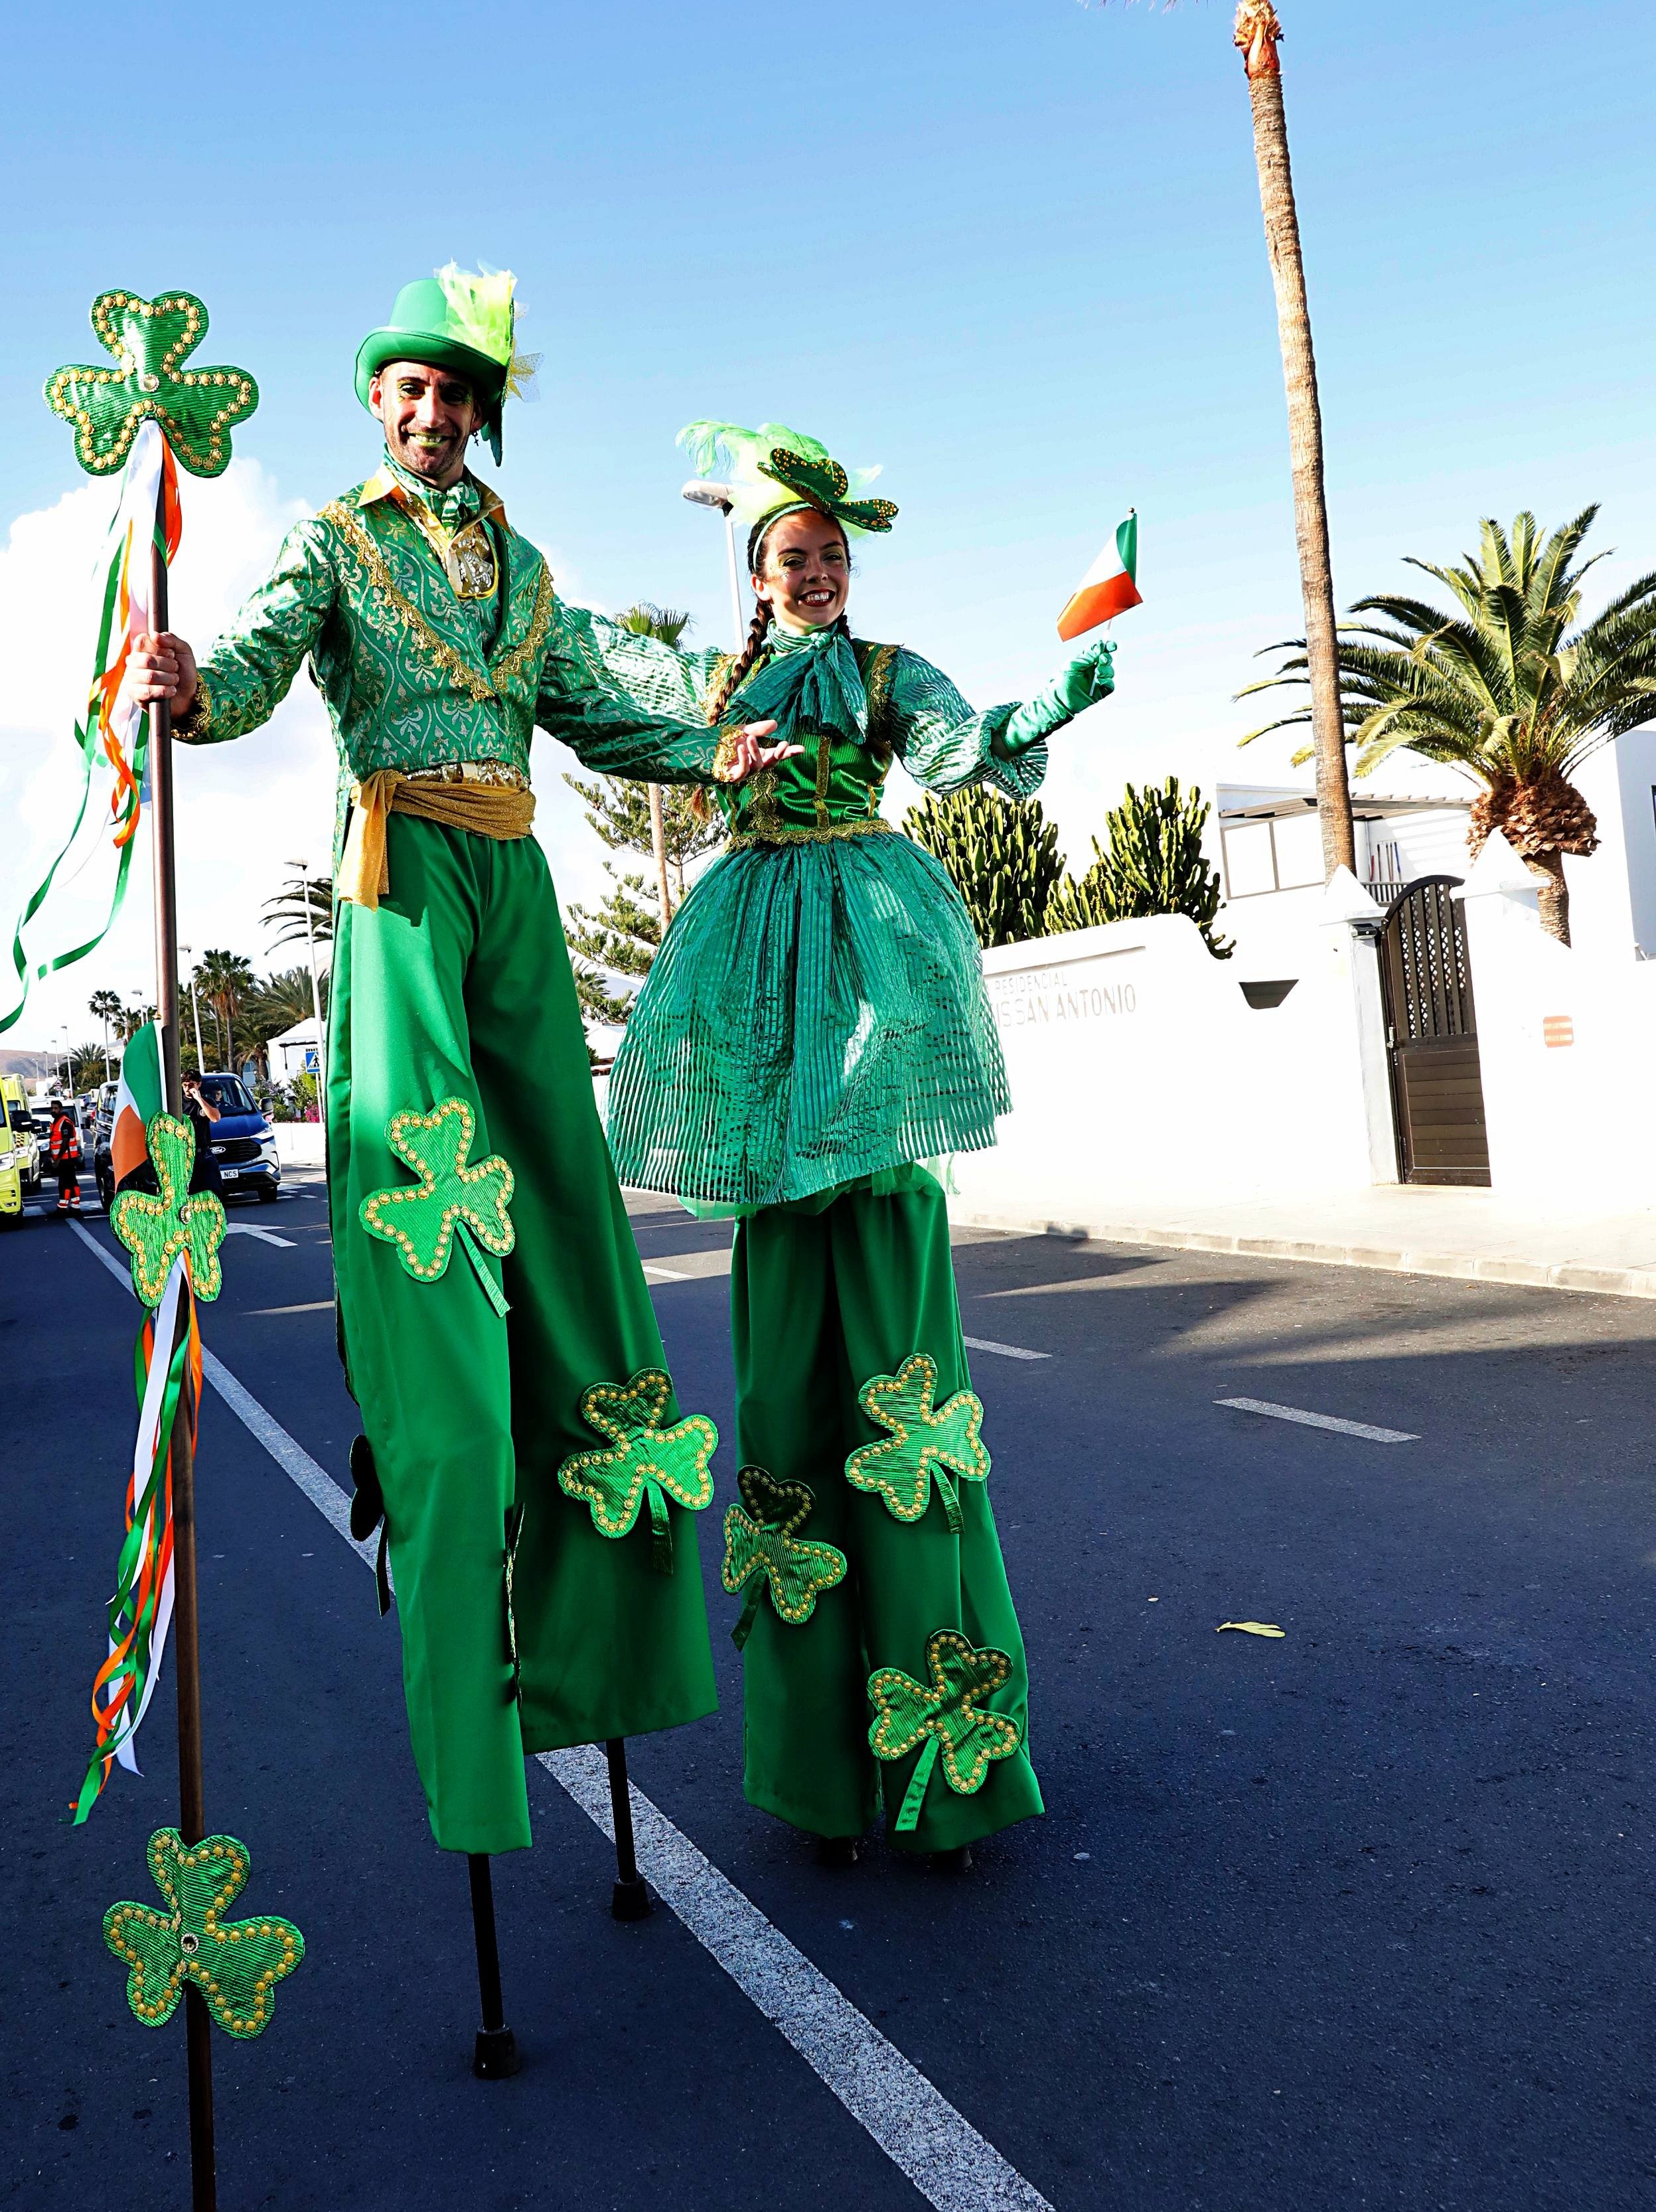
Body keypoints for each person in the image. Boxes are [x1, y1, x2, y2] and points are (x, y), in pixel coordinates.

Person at [120, 268, 794, 2057]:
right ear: (378, 405)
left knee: (574, 1234)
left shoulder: (529, 566)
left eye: (458, 392)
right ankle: (430, 1467)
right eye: (409, 388)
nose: (434, 412)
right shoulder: (336, 544)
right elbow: (259, 661)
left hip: (518, 887)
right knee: (434, 1225)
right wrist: (193, 684)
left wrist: (707, 748)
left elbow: (598, 709)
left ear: (485, 410)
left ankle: (596, 1586)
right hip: (402, 884)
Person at [597, 422, 1115, 1867]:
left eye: (830, 555)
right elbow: (596, 689)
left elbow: (967, 747)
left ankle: (940, 1755)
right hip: (761, 1021)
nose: (814, 573)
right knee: (781, 1402)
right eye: (790, 556)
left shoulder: (892, 681)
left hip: (877, 993)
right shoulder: (713, 687)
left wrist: (1059, 692)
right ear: (756, 577)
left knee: (898, 1390)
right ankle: (822, 1766)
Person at [50, 1103, 83, 1215]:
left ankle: (63, 1208)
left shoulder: (65, 1122)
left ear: (61, 1109)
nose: (53, 1110)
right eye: (52, 1108)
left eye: (56, 1108)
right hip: (63, 1158)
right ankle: (75, 1206)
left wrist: (57, 1160)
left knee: (65, 1183)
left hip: (67, 1158)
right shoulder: (56, 1123)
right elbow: (55, 1142)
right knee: (71, 1182)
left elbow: (65, 1143)